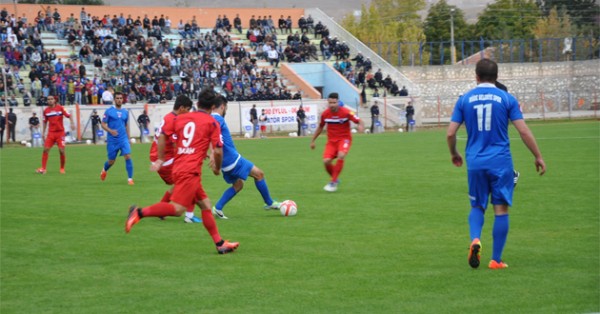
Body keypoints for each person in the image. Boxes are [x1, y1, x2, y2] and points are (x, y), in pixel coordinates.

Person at [446, 59, 546, 270]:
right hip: (500, 161)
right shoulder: (506, 98)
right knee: (501, 209)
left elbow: (450, 133)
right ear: (497, 77)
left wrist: (454, 152)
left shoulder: (464, 100)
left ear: (476, 76)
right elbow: (523, 131)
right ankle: (496, 260)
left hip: (475, 161)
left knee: (477, 205)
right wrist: (538, 156)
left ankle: (475, 239)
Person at [126, 89, 239, 255]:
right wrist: (216, 168)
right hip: (190, 171)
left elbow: (163, 135)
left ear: (198, 103)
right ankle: (139, 212)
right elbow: (218, 151)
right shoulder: (212, 122)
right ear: (213, 106)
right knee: (178, 209)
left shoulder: (180, 118)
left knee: (205, 205)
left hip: (179, 167)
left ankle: (220, 243)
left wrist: (160, 158)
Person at [210, 96, 280, 219]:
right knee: (259, 174)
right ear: (222, 106)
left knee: (238, 185)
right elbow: (216, 141)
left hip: (225, 164)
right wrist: (213, 154)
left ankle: (218, 208)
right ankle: (269, 202)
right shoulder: (218, 119)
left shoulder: (210, 119)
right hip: (232, 159)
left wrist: (212, 154)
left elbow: (211, 139)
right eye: (226, 107)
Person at [149, 95, 202, 223]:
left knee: (180, 184)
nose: (189, 113)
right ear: (182, 108)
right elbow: (174, 143)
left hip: (160, 157)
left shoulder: (169, 117)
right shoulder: (174, 120)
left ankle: (161, 210)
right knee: (191, 181)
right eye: (188, 110)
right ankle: (189, 216)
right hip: (165, 159)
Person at [310, 92, 364, 192]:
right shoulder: (325, 114)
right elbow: (320, 127)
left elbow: (359, 120)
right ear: (328, 102)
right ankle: (335, 178)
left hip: (344, 139)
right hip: (331, 142)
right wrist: (313, 140)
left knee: (341, 155)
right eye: (330, 103)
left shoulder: (346, 112)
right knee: (326, 161)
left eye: (334, 103)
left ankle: (333, 182)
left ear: (338, 102)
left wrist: (361, 126)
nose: (332, 105)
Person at [100, 92, 134, 185]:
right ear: (114, 100)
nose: (119, 100)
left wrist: (129, 138)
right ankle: (104, 169)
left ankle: (130, 179)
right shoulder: (109, 111)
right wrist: (110, 131)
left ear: (123, 100)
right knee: (111, 161)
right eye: (117, 98)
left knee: (127, 155)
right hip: (112, 140)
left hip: (123, 139)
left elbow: (126, 125)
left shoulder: (125, 112)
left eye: (121, 98)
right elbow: (103, 124)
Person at [36, 97, 75, 174]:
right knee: (46, 149)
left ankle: (62, 168)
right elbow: (45, 122)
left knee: (61, 151)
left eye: (51, 99)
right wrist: (43, 133)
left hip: (60, 133)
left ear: (54, 100)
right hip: (51, 133)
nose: (50, 100)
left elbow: (69, 115)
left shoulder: (60, 108)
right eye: (48, 99)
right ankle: (43, 168)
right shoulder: (46, 111)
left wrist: (72, 123)